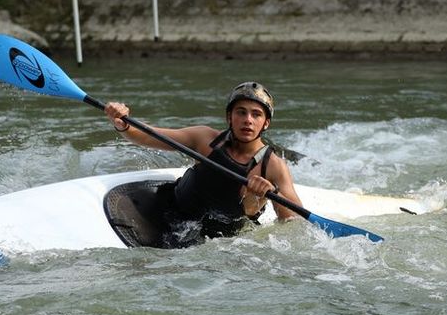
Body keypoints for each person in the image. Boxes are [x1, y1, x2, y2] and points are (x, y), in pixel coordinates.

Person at [104, 81, 303, 248]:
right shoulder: (205, 139)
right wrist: (124, 125)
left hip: (219, 242)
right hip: (172, 216)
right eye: (241, 112)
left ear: (266, 123)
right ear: (229, 117)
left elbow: (294, 221)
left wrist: (272, 194)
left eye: (256, 114)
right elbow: (150, 136)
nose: (248, 120)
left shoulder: (273, 166)